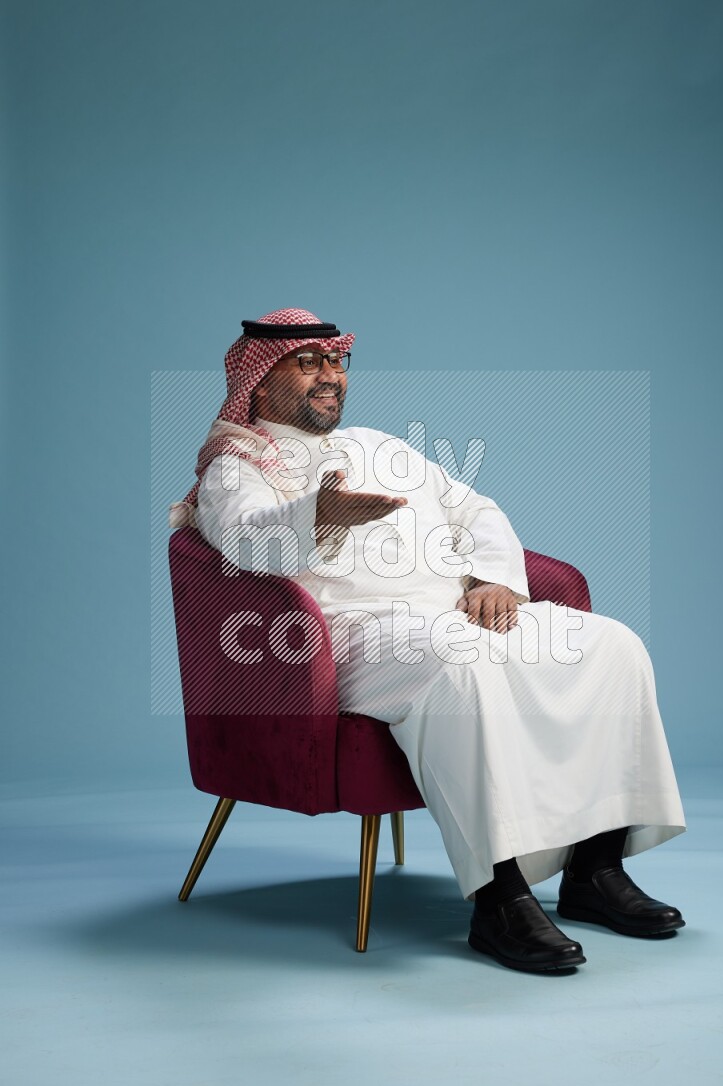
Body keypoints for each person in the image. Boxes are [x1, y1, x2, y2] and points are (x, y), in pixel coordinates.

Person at [169, 307, 687, 974]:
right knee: (464, 668)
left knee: (610, 647)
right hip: (343, 641)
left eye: (336, 361)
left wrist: (495, 579)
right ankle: (500, 900)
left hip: (454, 612)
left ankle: (595, 870)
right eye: (309, 363)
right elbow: (243, 544)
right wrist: (317, 515)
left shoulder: (377, 445)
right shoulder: (236, 467)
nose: (330, 376)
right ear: (260, 382)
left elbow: (475, 508)